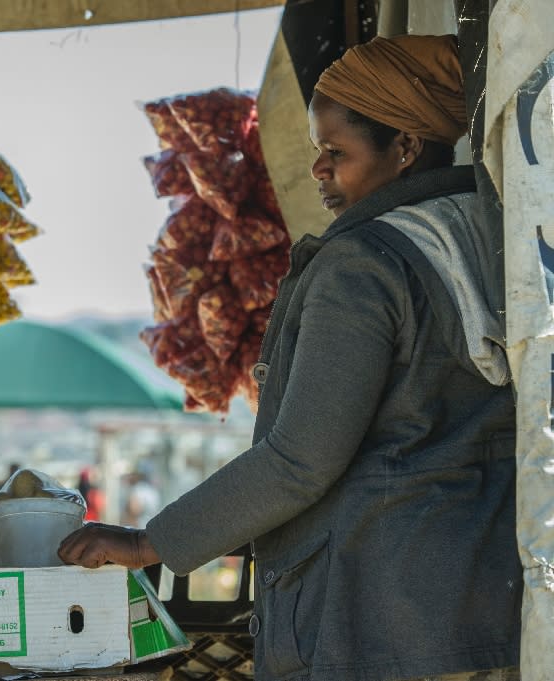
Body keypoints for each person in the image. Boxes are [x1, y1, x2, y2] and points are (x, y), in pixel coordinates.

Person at [58, 34, 521, 681]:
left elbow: (300, 460)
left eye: (336, 153)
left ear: (407, 148)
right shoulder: (497, 234)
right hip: (485, 607)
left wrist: (148, 542)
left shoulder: (363, 266)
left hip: (374, 620)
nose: (318, 172)